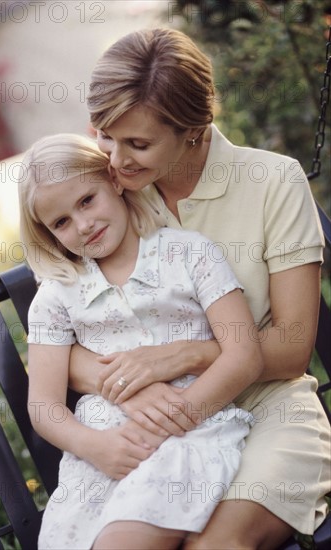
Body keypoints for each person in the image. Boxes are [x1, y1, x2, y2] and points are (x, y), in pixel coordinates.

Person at [67, 27, 331, 549]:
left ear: (193, 128)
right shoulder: (103, 198)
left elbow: (293, 348)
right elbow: (64, 344)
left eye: (138, 143)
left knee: (214, 544)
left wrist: (183, 355)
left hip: (268, 411)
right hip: (160, 418)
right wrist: (132, 387)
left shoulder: (274, 183)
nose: (116, 160)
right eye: (104, 134)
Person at [20, 132, 263, 549]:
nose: (83, 225)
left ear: (113, 180)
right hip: (100, 457)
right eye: (61, 222)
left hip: (188, 437)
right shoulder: (55, 298)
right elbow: (43, 405)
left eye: (86, 200)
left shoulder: (189, 254)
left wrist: (178, 418)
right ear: (48, 233)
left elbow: (244, 356)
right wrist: (95, 447)